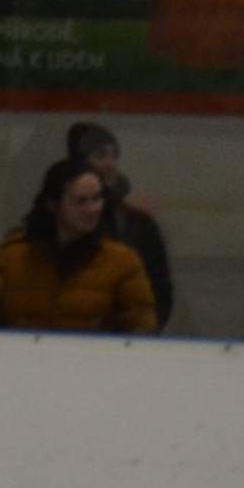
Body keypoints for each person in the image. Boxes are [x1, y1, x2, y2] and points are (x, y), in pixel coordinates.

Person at [0, 159, 162, 333]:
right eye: (80, 201)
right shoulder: (13, 258)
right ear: (53, 205)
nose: (92, 209)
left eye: (97, 198)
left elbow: (143, 330)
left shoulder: (121, 261)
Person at [64, 121, 178, 331]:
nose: (111, 164)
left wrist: (137, 338)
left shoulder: (138, 224)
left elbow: (159, 294)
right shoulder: (52, 224)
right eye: (101, 155)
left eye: (114, 155)